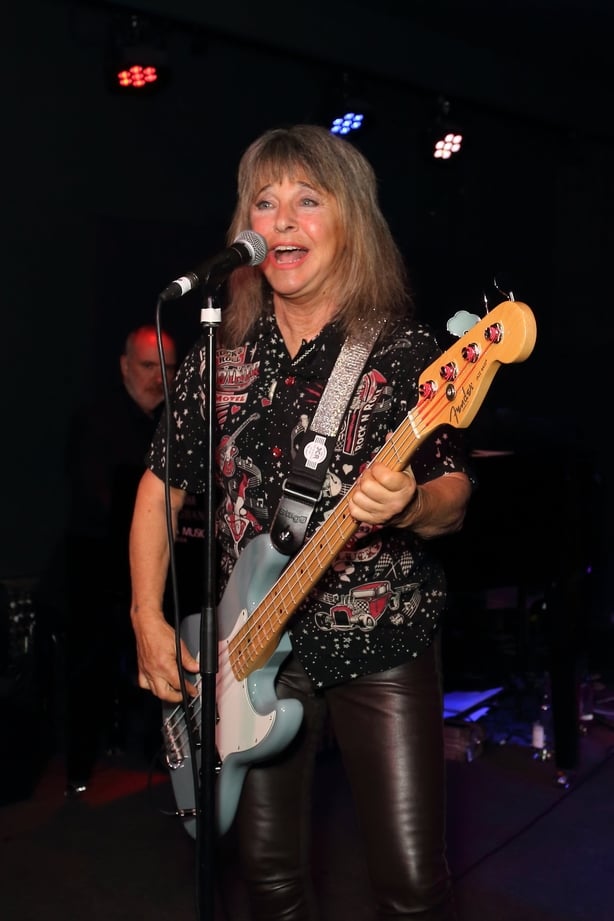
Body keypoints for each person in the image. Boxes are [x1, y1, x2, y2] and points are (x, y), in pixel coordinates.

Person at [129, 124, 474, 920]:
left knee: (413, 886)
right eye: (265, 201)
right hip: (247, 653)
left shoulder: (400, 347)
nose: (280, 220)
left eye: (307, 201)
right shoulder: (222, 357)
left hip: (378, 638)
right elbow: (158, 491)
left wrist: (414, 504)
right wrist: (147, 616)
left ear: (351, 221)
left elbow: (454, 483)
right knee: (270, 881)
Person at [63, 324, 177, 795]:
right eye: (149, 366)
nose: (158, 377)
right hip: (97, 571)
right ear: (125, 366)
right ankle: (77, 772)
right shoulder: (98, 419)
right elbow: (95, 500)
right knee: (89, 670)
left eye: (167, 368)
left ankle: (163, 758)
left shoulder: (179, 422)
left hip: (163, 571)